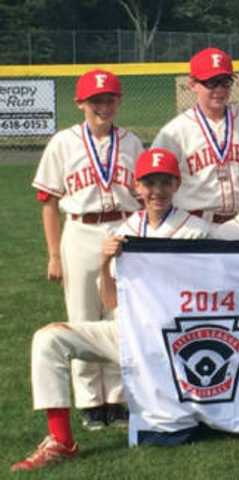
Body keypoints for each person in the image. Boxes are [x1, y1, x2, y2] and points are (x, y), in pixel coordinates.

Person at [12, 148, 211, 472]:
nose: (156, 190)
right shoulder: (125, 230)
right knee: (48, 339)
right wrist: (105, 263)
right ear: (137, 186)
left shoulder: (196, 230)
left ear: (177, 185)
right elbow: (111, 302)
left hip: (176, 341)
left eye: (164, 182)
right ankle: (61, 440)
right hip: (126, 333)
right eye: (149, 182)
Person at [32, 69, 143, 429]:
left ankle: (117, 397)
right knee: (82, 315)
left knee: (119, 315)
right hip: (80, 229)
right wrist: (53, 254)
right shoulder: (63, 142)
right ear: (81, 103)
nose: (103, 106)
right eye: (96, 100)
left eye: (109, 99)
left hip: (122, 228)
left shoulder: (131, 142)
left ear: (119, 101)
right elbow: (48, 201)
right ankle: (90, 401)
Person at [152, 47, 239, 224]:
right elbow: (152, 183)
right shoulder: (174, 132)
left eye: (225, 82)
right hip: (195, 224)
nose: (219, 89)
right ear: (193, 84)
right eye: (211, 82)